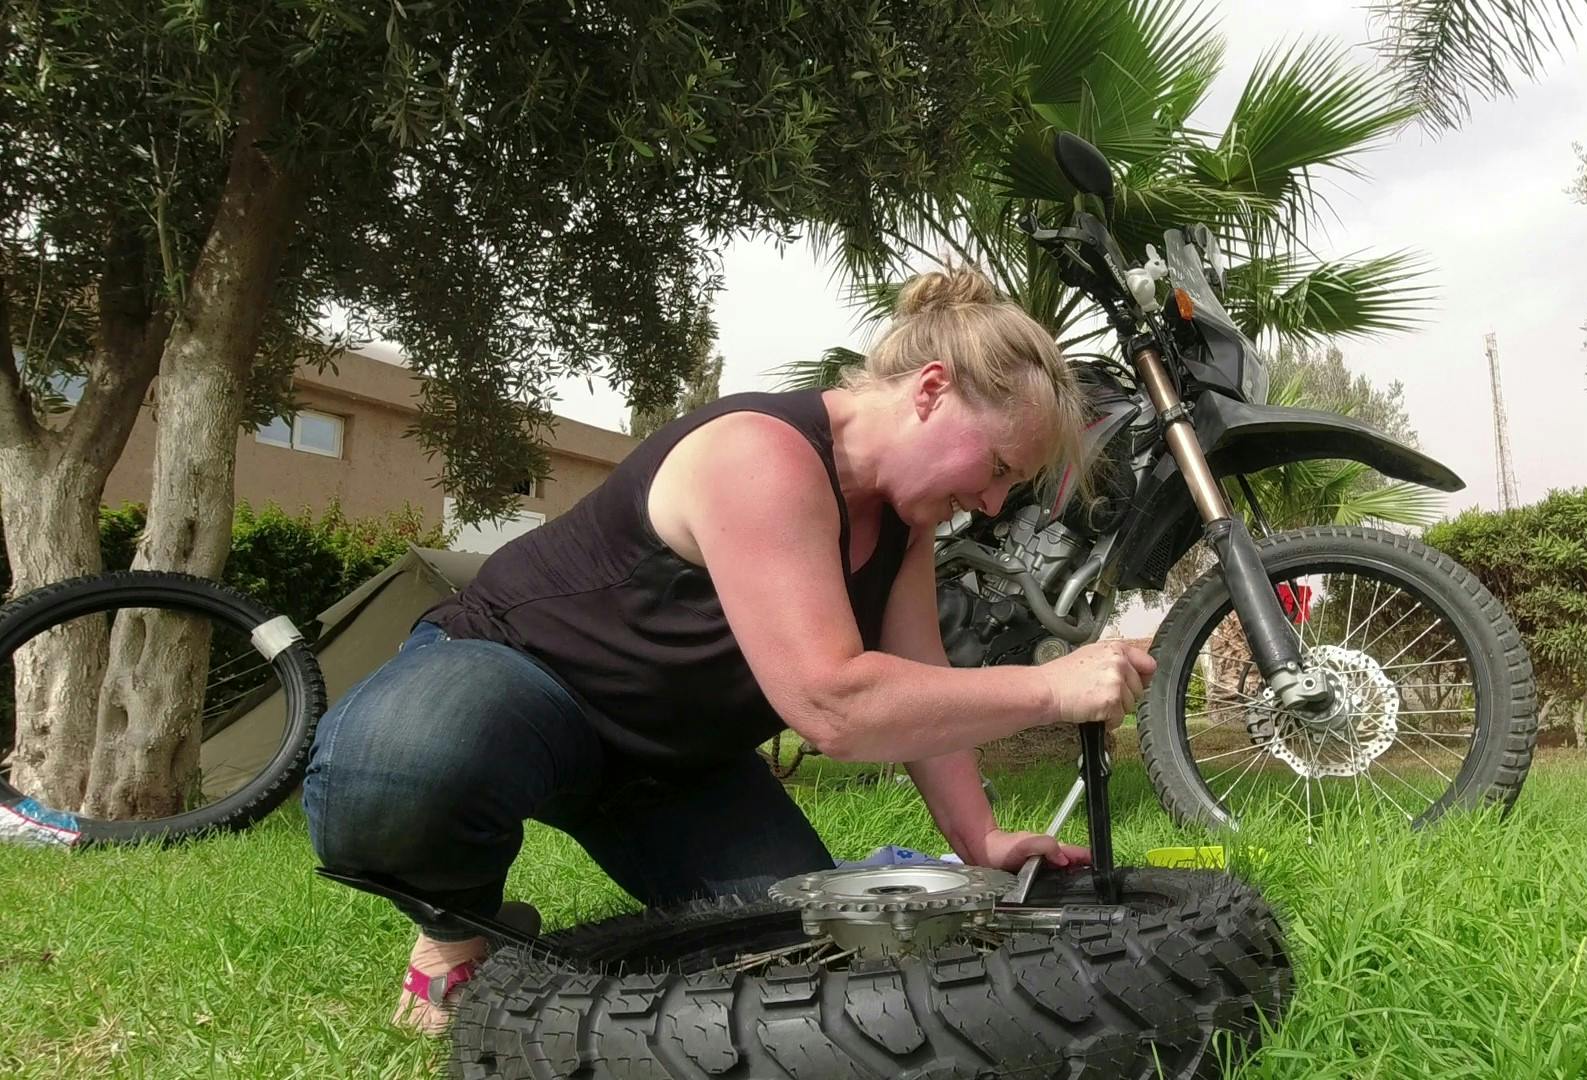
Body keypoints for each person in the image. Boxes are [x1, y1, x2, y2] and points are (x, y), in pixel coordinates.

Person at [301, 266, 1158, 1034]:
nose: (993, 498)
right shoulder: (761, 454)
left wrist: (980, 837)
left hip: (675, 767)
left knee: (807, 950)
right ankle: (455, 933)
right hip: (525, 684)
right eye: (1001, 464)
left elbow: (921, 683)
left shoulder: (906, 523)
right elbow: (836, 706)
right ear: (931, 390)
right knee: (401, 775)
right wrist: (1050, 689)